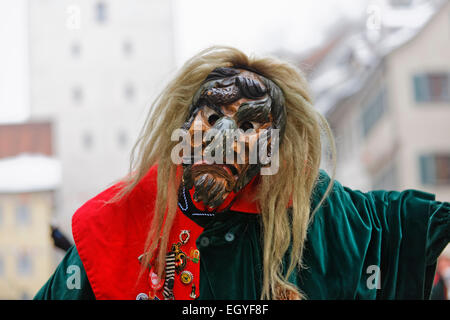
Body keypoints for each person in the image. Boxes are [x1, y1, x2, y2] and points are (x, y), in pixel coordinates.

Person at [34, 46, 449, 300]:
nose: (226, 138)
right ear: (184, 125)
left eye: (250, 127)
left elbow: (395, 222)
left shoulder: (308, 208)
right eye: (213, 117)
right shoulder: (124, 219)